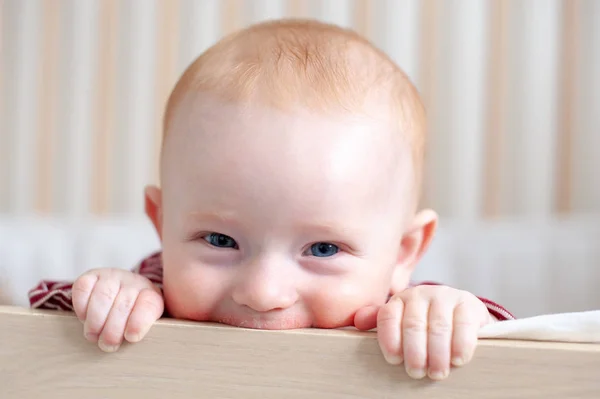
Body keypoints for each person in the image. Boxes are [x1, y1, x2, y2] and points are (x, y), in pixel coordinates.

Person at [28, 18, 514, 381]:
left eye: (323, 249)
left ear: (404, 251)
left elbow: (523, 357)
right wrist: (101, 299)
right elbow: (33, 337)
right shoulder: (151, 296)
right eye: (219, 240)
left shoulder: (400, 314)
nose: (262, 292)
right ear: (162, 222)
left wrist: (456, 316)